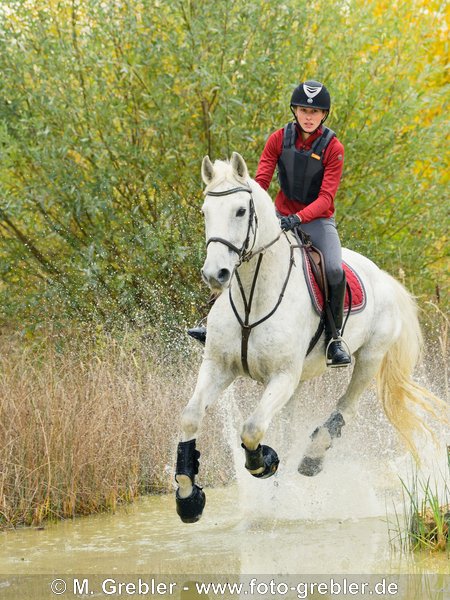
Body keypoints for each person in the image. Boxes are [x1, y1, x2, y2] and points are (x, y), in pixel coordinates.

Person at [189, 80, 351, 367]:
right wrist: (256, 212)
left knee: (334, 270)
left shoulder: (333, 147)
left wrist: (297, 218)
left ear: (324, 115)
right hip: (278, 217)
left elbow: (326, 198)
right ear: (295, 111)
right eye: (303, 109)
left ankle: (334, 338)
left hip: (317, 221)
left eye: (315, 111)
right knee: (235, 251)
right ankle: (212, 318)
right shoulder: (278, 139)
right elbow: (260, 182)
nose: (309, 116)